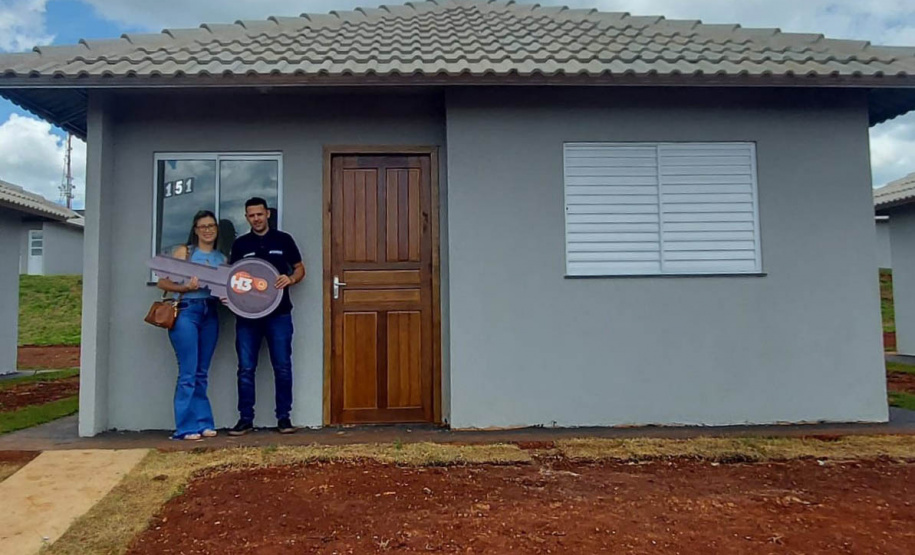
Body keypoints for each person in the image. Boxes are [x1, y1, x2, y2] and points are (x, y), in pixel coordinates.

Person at [228, 197, 305, 435]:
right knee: (246, 368)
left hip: (279, 314)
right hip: (247, 316)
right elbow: (231, 280)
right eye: (251, 215)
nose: (256, 219)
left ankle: (284, 418)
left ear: (267, 214)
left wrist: (291, 278)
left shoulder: (284, 240)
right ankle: (245, 419)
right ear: (246, 217)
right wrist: (228, 296)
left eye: (259, 214)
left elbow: (300, 267)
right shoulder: (240, 245)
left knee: (282, 366)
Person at [157, 210, 226, 440]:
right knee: (188, 372)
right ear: (195, 230)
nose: (207, 230)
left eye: (211, 226)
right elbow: (163, 282)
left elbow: (224, 289)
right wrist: (186, 287)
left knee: (201, 372)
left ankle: (204, 423)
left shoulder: (221, 259)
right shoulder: (184, 252)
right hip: (187, 312)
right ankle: (185, 427)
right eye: (202, 226)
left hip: (210, 313)